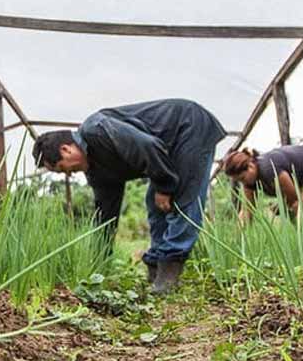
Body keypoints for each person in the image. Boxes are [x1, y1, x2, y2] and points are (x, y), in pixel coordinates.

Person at [32, 99, 226, 294]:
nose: (67, 174)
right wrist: (98, 261)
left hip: (188, 126)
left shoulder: (97, 130)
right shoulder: (96, 171)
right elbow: (106, 216)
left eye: (60, 169)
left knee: (184, 200)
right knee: (155, 204)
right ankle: (156, 267)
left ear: (66, 150)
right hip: (165, 151)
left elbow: (148, 145)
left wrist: (164, 187)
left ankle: (169, 272)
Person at [221, 145, 303, 224]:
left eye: (242, 178)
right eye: (239, 181)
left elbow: (294, 200)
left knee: (302, 205)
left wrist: (281, 205)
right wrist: (238, 240)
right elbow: (247, 210)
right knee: (292, 210)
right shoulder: (250, 181)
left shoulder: (268, 168)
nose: (243, 183)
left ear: (250, 166)